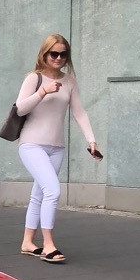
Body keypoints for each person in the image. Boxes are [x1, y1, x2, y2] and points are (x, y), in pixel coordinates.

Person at [13, 34, 101, 264]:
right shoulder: (34, 78)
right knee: (52, 190)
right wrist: (43, 91)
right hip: (31, 144)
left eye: (63, 54)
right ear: (44, 54)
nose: (59, 58)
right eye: (54, 53)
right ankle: (48, 245)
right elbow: (20, 108)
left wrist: (91, 140)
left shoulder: (69, 81)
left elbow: (79, 112)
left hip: (56, 147)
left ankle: (27, 242)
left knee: (39, 194)